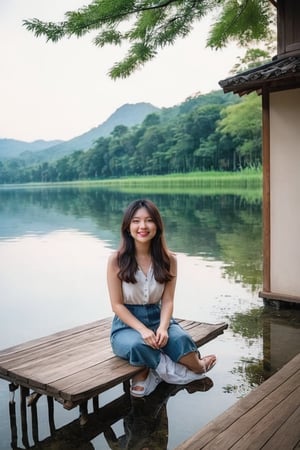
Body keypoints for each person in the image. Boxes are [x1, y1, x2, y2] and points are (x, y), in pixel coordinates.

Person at [107, 199, 216, 397]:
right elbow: (116, 305)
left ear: (157, 225)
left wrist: (164, 328)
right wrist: (142, 330)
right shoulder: (116, 260)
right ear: (127, 226)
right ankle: (175, 373)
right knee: (137, 344)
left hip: (158, 317)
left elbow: (167, 301)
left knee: (180, 339)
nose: (142, 226)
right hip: (127, 325)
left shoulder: (169, 259)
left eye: (149, 220)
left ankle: (197, 367)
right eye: (136, 221)